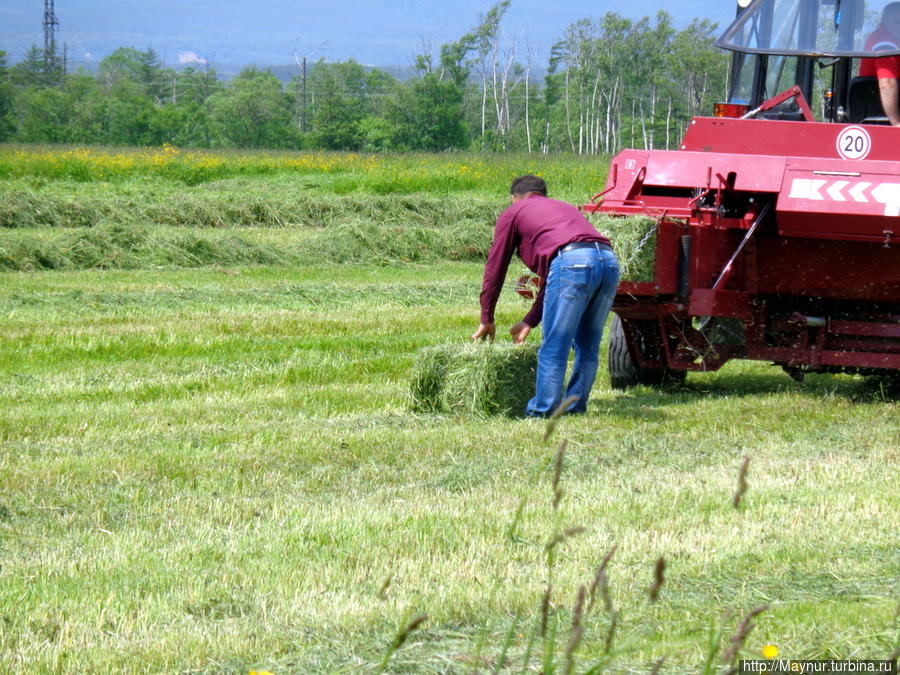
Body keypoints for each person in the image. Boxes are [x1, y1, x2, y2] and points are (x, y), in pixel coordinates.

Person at [471, 175, 619, 417]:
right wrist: (529, 320)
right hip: (609, 262)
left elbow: (495, 267)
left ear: (514, 198)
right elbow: (556, 276)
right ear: (543, 195)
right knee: (588, 344)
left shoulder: (514, 211)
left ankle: (543, 410)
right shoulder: (564, 208)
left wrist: (486, 316)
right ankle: (574, 407)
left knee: (554, 344)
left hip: (573, 261)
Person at [859, 1, 900, 126]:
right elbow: (886, 83)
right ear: (885, 21)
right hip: (880, 120)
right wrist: (897, 123)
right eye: (897, 21)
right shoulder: (885, 44)